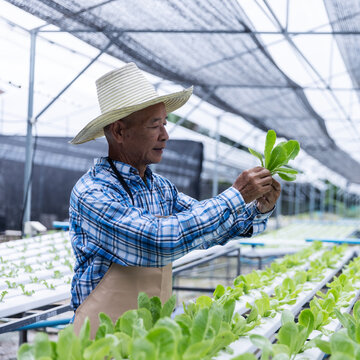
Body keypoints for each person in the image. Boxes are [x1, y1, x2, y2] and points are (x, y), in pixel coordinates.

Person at [69, 62, 280, 336]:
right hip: (101, 338)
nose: (165, 135)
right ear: (120, 131)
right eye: (154, 125)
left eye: (164, 124)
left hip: (153, 335)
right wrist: (236, 195)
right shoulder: (93, 192)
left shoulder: (160, 188)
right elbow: (160, 241)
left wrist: (259, 208)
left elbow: (212, 227)